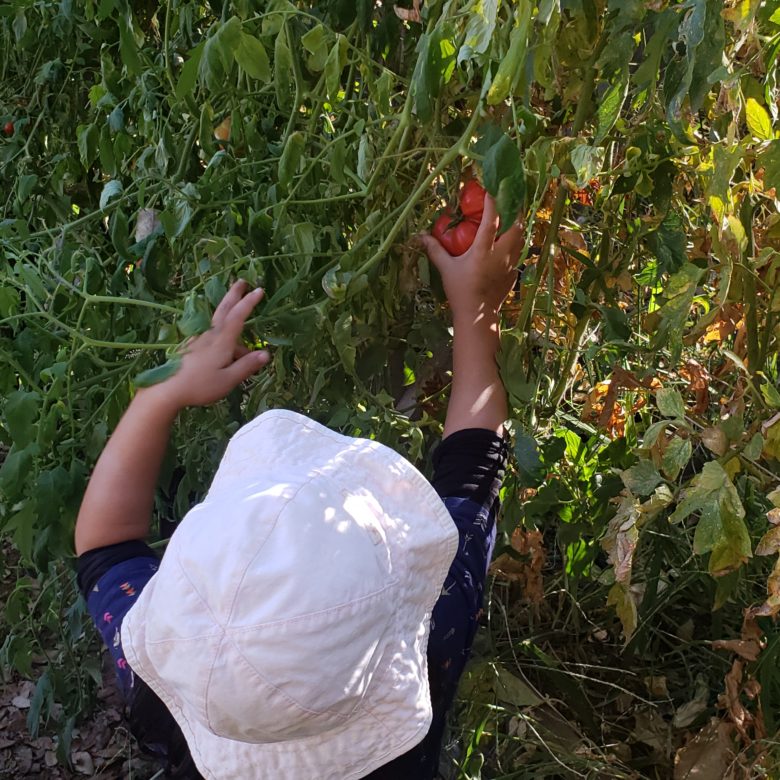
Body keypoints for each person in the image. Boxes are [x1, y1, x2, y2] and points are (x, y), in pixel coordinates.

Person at [74, 195, 524, 780]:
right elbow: (474, 470)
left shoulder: (164, 697)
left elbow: (104, 545)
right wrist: (477, 309)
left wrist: (159, 394)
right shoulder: (433, 635)